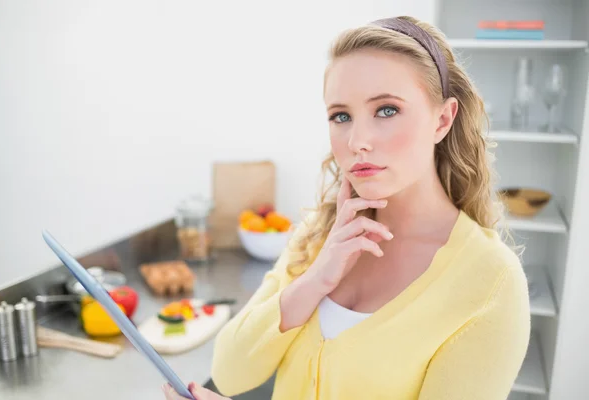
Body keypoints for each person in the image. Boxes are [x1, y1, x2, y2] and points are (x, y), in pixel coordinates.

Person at [163, 15, 531, 400]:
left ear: (442, 119)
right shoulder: (321, 233)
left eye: (386, 110)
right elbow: (229, 372)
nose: (357, 141)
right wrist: (317, 279)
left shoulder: (492, 283)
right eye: (341, 116)